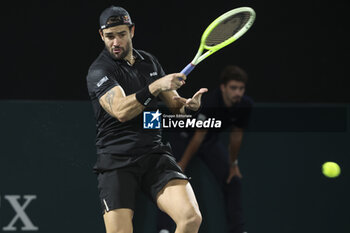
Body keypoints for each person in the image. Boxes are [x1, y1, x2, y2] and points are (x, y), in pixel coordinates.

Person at [86, 6, 208, 233]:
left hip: (153, 154)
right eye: (110, 36)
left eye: (121, 34)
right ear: (102, 36)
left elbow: (174, 105)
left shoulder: (149, 62)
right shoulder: (99, 70)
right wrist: (154, 87)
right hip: (117, 161)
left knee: (191, 218)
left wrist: (187, 105)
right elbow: (121, 111)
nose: (116, 42)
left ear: (132, 31)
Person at [158, 65, 253, 233]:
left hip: (209, 141)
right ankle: (165, 229)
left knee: (234, 180)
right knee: (172, 179)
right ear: (223, 88)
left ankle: (237, 230)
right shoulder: (211, 102)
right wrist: (182, 164)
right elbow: (198, 136)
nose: (237, 92)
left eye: (241, 88)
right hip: (183, 136)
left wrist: (233, 164)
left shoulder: (244, 105)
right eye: (233, 88)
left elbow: (236, 135)